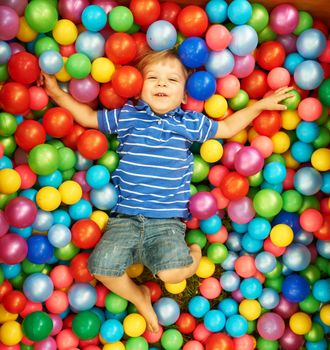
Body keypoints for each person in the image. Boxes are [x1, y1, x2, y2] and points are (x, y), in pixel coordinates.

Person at [39, 49, 293, 333]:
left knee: (173, 274)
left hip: (166, 224)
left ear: (184, 95)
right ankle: (140, 297)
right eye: (153, 78)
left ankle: (194, 254)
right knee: (100, 267)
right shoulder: (128, 117)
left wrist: (260, 105)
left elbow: (228, 127)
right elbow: (87, 117)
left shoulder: (188, 122)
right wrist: (56, 94)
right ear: (137, 88)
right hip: (125, 219)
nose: (161, 84)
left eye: (172, 80)